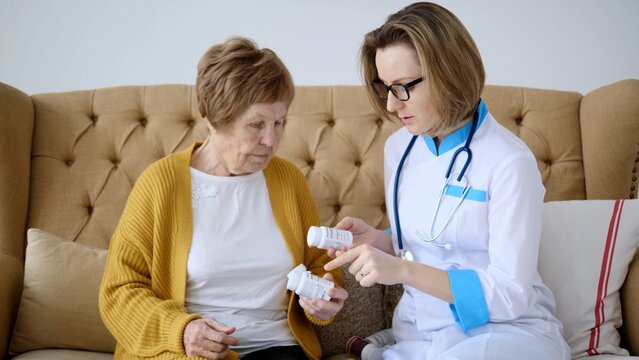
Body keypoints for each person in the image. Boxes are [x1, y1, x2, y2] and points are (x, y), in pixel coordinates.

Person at [324, 3, 570, 360]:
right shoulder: (400, 148)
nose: (392, 105)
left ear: (449, 74)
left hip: (503, 332)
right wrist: (381, 241)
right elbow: (435, 240)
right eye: (385, 88)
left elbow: (509, 294)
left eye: (403, 87)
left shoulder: (509, 162)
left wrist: (403, 270)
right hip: (420, 331)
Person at [99, 36, 347, 360]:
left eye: (279, 123)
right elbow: (119, 292)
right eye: (256, 124)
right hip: (190, 352)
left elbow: (319, 264)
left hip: (276, 347)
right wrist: (182, 330)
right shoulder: (160, 184)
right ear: (213, 118)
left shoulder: (288, 180)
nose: (271, 140)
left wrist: (321, 302)